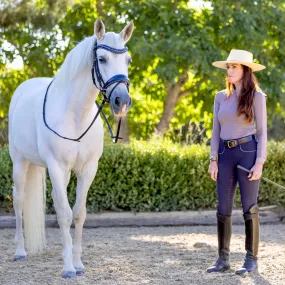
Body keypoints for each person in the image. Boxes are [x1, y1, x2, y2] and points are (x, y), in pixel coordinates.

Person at [207, 49, 267, 275]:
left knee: (249, 208)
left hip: (247, 152)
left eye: (234, 66)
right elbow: (215, 130)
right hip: (224, 154)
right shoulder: (220, 96)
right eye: (228, 67)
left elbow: (262, 133)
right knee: (223, 207)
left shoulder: (257, 98)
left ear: (245, 70)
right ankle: (223, 259)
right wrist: (213, 159)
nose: (229, 70)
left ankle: (251, 259)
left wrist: (260, 162)